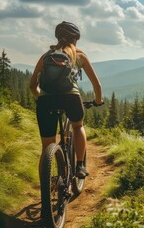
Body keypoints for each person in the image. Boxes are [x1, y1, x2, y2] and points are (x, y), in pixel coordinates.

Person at [30, 21, 103, 179]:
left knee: (46, 147)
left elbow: (32, 85)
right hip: (71, 98)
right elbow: (97, 84)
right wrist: (98, 101)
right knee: (77, 126)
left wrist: (42, 97)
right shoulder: (79, 55)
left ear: (57, 38)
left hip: (45, 102)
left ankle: (46, 189)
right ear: (75, 39)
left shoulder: (46, 56)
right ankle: (80, 165)